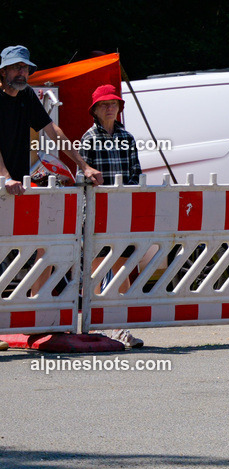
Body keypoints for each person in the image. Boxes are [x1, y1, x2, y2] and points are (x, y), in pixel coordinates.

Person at [81, 84, 145, 348]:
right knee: (96, 263)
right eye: (105, 104)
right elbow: (83, 179)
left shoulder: (127, 137)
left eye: (114, 104)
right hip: (97, 209)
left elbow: (136, 171)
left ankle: (120, 324)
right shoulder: (88, 138)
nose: (110, 108)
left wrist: (126, 195)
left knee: (123, 263)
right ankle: (96, 324)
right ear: (95, 109)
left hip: (122, 209)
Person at [0, 45, 102, 194]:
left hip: (17, 185)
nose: (22, 73)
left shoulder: (26, 94)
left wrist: (84, 166)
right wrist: (6, 178)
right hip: (6, 181)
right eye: (16, 67)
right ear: (3, 71)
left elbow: (52, 130)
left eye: (25, 68)